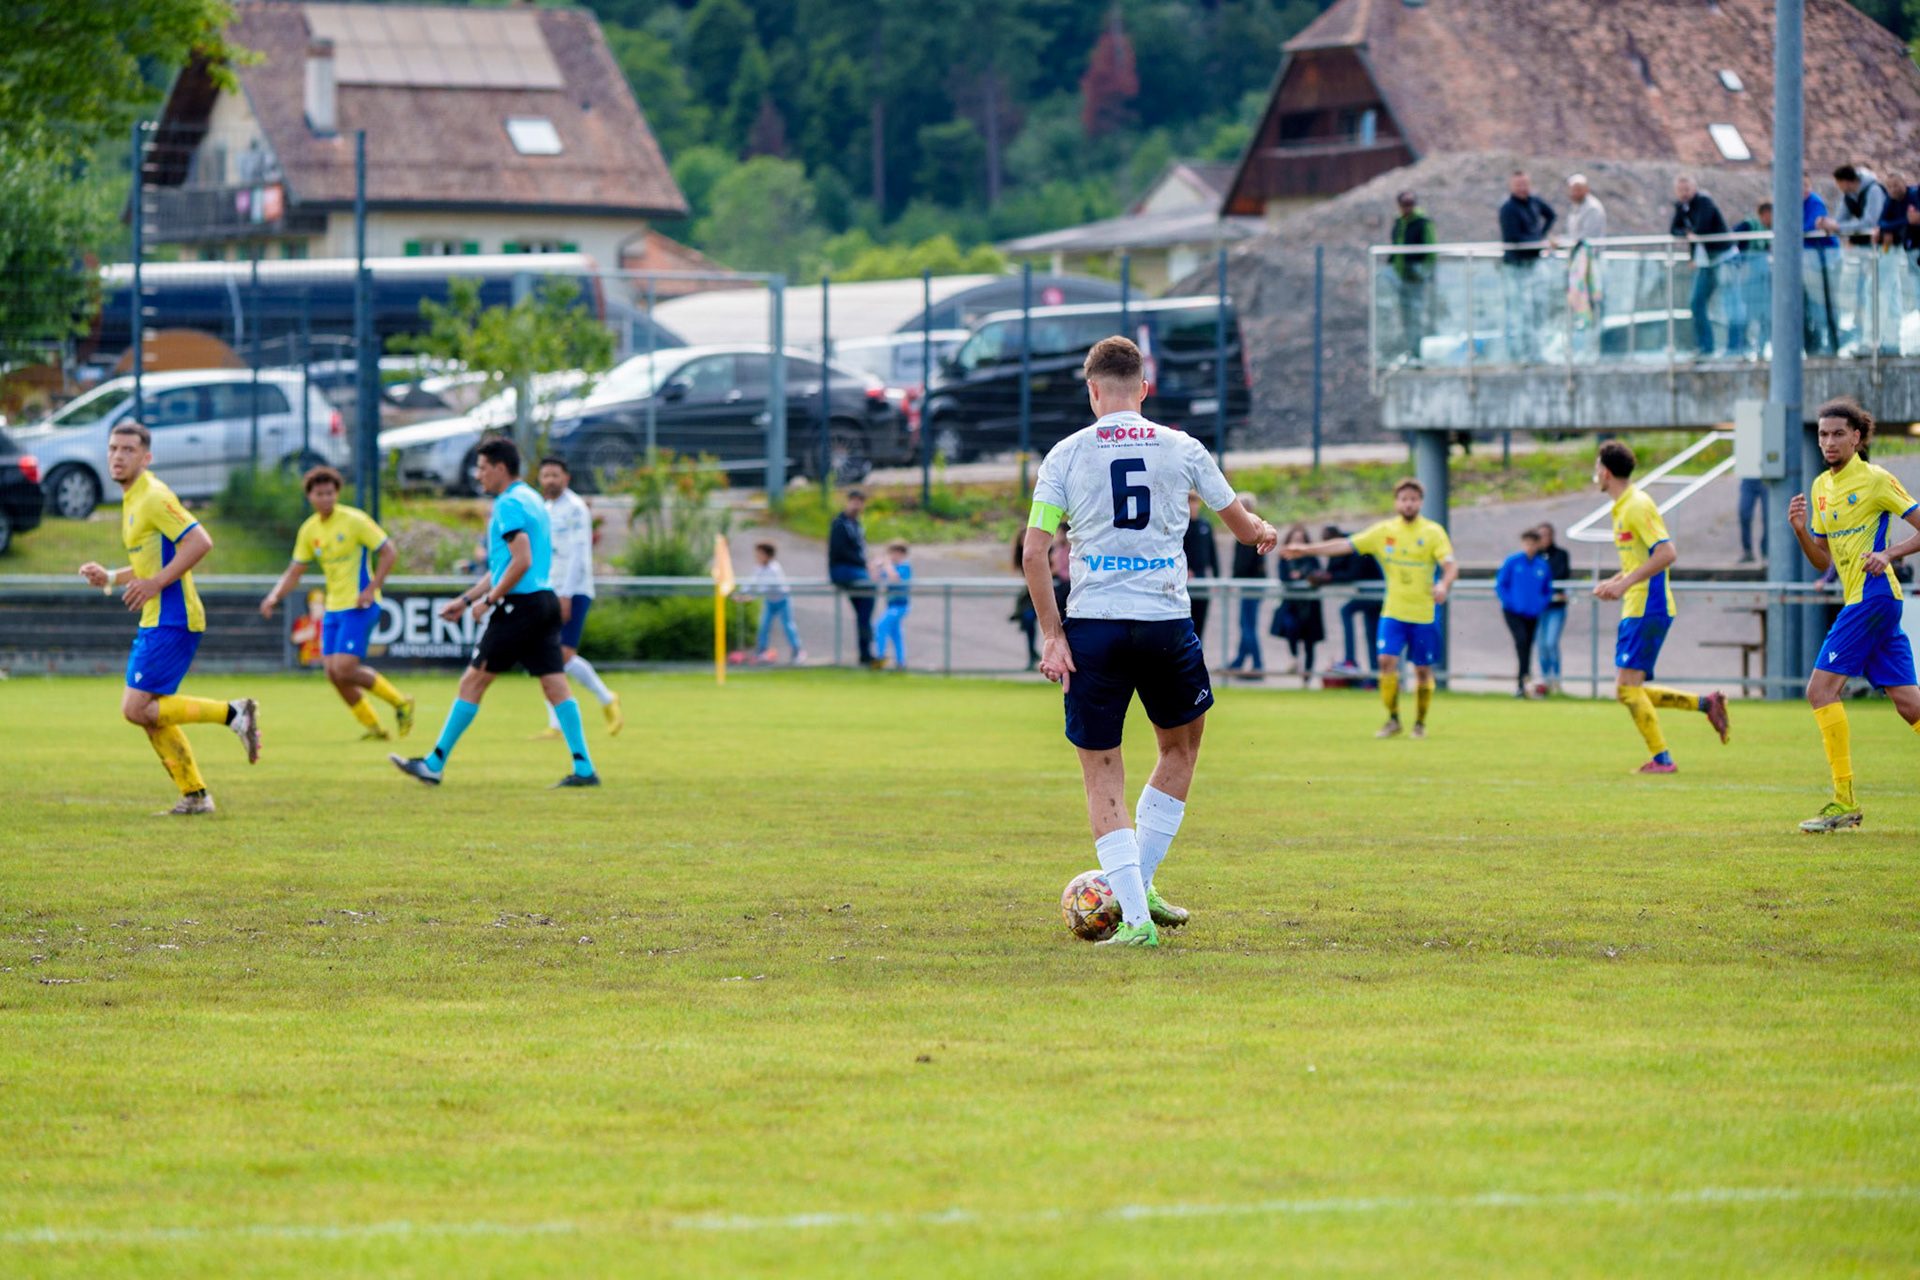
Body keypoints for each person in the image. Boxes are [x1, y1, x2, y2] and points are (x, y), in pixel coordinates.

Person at [1025, 335, 1277, 948]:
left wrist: (1054, 637)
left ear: (1092, 391)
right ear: (1145, 387)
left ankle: (1136, 910)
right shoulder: (1181, 446)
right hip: (1166, 623)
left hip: (1095, 628)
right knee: (1180, 752)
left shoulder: (1064, 455)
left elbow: (1035, 552)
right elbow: (1242, 527)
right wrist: (1262, 530)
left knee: (1102, 773)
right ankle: (1142, 889)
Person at [390, 438, 599, 789]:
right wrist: (467, 598)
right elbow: (504, 564)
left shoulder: (507, 504)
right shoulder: (532, 498)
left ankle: (433, 764)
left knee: (472, 682)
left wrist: (488, 602)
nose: (478, 474)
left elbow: (521, 562)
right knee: (555, 684)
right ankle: (584, 768)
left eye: (483, 467)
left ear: (501, 468)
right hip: (543, 600)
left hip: (520, 606)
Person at [78, 421, 261, 814]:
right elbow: (148, 562)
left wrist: (158, 583)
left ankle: (234, 713)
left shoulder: (154, 496)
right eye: (113, 448)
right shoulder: (132, 498)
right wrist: (111, 577)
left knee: (135, 708)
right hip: (157, 616)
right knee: (149, 714)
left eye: (128, 450)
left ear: (147, 457)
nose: (118, 456)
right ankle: (194, 795)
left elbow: (200, 541)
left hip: (173, 617)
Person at [1784, 397, 1920, 833]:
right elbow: (1820, 559)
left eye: (1838, 433)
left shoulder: (1876, 479)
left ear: (1857, 437)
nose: (1829, 441)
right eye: (1823, 434)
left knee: (1820, 691)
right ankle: (1843, 802)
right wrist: (1802, 531)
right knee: (1908, 704)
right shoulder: (1822, 486)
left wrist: (1889, 552)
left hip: (1873, 597)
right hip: (1865, 600)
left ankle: (1844, 801)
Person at [1591, 440, 1731, 772]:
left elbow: (1666, 553)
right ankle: (1706, 704)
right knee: (1627, 690)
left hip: (1647, 606)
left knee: (1627, 689)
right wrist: (1617, 580)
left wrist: (1624, 583)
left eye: (1596, 468)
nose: (1594, 474)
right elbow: (1639, 560)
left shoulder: (1637, 505)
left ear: (1606, 472)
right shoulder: (1623, 506)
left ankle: (1662, 760)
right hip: (1637, 605)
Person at [1283, 479, 1458, 738]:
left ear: (1420, 502)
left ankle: (1420, 723)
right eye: (1403, 499)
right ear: (1397, 502)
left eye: (1413, 499)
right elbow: (1344, 545)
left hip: (1423, 613)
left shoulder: (1433, 532)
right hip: (1393, 612)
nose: (1408, 503)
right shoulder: (1384, 531)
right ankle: (1393, 718)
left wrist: (1443, 584)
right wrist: (1305, 549)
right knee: (1385, 662)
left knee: (1422, 670)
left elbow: (1450, 565)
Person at [258, 466, 413, 741]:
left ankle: (400, 702)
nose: (326, 498)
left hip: (360, 605)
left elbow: (389, 552)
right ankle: (375, 727)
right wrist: (274, 596)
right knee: (333, 673)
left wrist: (372, 588)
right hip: (334, 608)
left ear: (337, 493)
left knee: (344, 668)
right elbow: (294, 571)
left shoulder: (355, 521)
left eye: (330, 493)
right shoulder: (309, 530)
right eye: (320, 494)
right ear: (310, 496)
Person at [533, 458, 622, 738]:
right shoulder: (545, 509)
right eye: (545, 475)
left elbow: (578, 556)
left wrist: (567, 594)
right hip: (549, 589)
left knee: (563, 654)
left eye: (554, 475)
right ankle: (555, 724)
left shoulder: (576, 509)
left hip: (574, 590)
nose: (549, 480)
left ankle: (606, 697)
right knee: (545, 656)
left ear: (566, 478)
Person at [1671, 175, 1734, 356]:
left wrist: (1690, 233)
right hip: (1705, 261)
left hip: (1722, 258)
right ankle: (1706, 346)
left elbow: (1701, 229)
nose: (1684, 193)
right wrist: (1688, 234)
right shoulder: (1682, 206)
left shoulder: (1704, 201)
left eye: (1687, 189)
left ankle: (1734, 347)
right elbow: (1675, 230)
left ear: (1695, 187)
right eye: (1681, 190)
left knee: (1729, 302)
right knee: (1696, 302)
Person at [1498, 170, 1555, 362]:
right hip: (1517, 266)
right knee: (1522, 311)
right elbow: (1513, 237)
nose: (1522, 188)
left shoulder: (1534, 202)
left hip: (1535, 263)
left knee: (1539, 308)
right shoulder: (1508, 209)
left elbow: (1551, 215)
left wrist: (1542, 236)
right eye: (1518, 185)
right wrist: (1540, 241)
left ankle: (1538, 352)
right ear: (1512, 186)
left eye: (1524, 184)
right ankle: (1522, 354)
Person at [1495, 528, 1554, 698]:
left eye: (1533, 543)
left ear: (1538, 545)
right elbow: (1501, 585)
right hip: (1513, 612)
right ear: (1522, 544)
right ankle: (1522, 683)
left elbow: (1547, 589)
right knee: (1521, 642)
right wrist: (1510, 603)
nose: (1530, 547)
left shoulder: (1542, 566)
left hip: (1532, 613)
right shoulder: (1512, 562)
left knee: (1527, 646)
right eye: (1527, 543)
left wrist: (1540, 605)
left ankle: (1524, 684)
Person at [1323, 524, 1383, 670]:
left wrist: (1329, 577)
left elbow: (1352, 573)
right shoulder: (1338, 549)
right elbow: (1332, 569)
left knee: (1348, 613)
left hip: (1376, 593)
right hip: (1366, 593)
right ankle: (1373, 675)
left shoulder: (1354, 544)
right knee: (1371, 635)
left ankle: (1351, 659)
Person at [1271, 523, 1325, 681]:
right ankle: (1294, 658)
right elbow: (1284, 576)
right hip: (1292, 603)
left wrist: (1300, 573)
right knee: (1290, 628)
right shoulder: (1285, 557)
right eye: (1295, 539)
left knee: (1309, 641)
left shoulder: (1311, 557)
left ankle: (1307, 674)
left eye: (1300, 539)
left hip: (1309, 605)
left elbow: (1316, 574)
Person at [828, 489, 877, 666]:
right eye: (854, 501)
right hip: (844, 570)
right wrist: (864, 564)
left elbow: (861, 550)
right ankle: (865, 648)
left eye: (860, 502)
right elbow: (841, 551)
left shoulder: (857, 524)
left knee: (865, 609)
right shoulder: (840, 524)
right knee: (870, 589)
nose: (856, 505)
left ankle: (866, 650)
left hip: (856, 569)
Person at [1562, 174, 1607, 358]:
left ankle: (1595, 350)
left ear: (1586, 189)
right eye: (1573, 189)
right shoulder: (1575, 209)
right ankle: (1584, 349)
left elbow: (1586, 238)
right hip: (1578, 266)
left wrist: (1565, 242)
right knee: (1582, 306)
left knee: (1594, 305)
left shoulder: (1593, 209)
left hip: (1591, 264)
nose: (1575, 193)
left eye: (1579, 189)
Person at [1390, 190, 1435, 364]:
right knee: (1405, 317)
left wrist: (1422, 272)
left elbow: (1431, 252)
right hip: (1402, 276)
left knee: (1416, 316)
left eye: (1410, 204)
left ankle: (1418, 353)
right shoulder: (1399, 223)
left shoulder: (1423, 223)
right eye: (1404, 204)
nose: (1407, 208)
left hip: (1416, 278)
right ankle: (1410, 350)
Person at [1730, 201, 1774, 358]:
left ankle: (1761, 348)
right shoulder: (1750, 225)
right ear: (1765, 213)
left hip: (1764, 280)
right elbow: (1733, 238)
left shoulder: (1768, 231)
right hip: (1750, 279)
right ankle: (1741, 348)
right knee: (1749, 314)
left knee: (1765, 314)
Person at [1805, 176, 1841, 355]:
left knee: (1823, 302)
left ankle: (1833, 342)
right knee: (1813, 303)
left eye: (1805, 184)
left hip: (1823, 260)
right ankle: (1817, 344)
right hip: (1810, 262)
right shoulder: (1794, 202)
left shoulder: (1814, 202)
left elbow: (1812, 225)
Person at [752, 540, 805, 663]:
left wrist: (752, 595)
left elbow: (767, 587)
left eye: (760, 554)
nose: (758, 557)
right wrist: (743, 593)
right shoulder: (759, 568)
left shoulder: (774, 569)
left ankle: (797, 650)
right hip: (770, 601)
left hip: (782, 600)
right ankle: (762, 651)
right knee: (764, 625)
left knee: (788, 626)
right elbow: (752, 582)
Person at [1535, 522, 1571, 694]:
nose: (1544, 538)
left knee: (1550, 643)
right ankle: (1544, 679)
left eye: (1547, 534)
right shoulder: (1534, 556)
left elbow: (1560, 574)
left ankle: (1556, 680)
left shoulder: (1561, 555)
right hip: (1538, 606)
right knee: (1541, 645)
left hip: (1555, 605)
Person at [1226, 531, 1268, 676]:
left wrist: (1234, 578)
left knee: (1247, 626)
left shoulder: (1247, 534)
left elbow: (1243, 561)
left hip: (1250, 585)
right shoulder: (1257, 531)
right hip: (1255, 583)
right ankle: (1238, 662)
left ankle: (1258, 664)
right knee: (1246, 624)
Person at [1182, 490, 1220, 641]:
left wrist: (1217, 577)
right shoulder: (1181, 526)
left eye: (1195, 502)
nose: (1192, 506)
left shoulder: (1205, 525)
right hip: (1185, 579)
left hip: (1202, 576)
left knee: (1200, 618)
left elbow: (1212, 552)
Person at [872, 541, 912, 668]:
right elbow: (877, 578)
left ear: (900, 553)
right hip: (891, 605)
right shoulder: (891, 566)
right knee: (896, 634)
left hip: (900, 605)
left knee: (880, 626)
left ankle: (880, 656)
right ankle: (901, 662)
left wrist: (887, 564)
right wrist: (875, 563)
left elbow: (895, 579)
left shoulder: (905, 567)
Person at [1010, 531, 1040, 669]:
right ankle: (1032, 653)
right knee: (1028, 618)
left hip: (1050, 591)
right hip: (1031, 594)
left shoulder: (1044, 552)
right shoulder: (1021, 557)